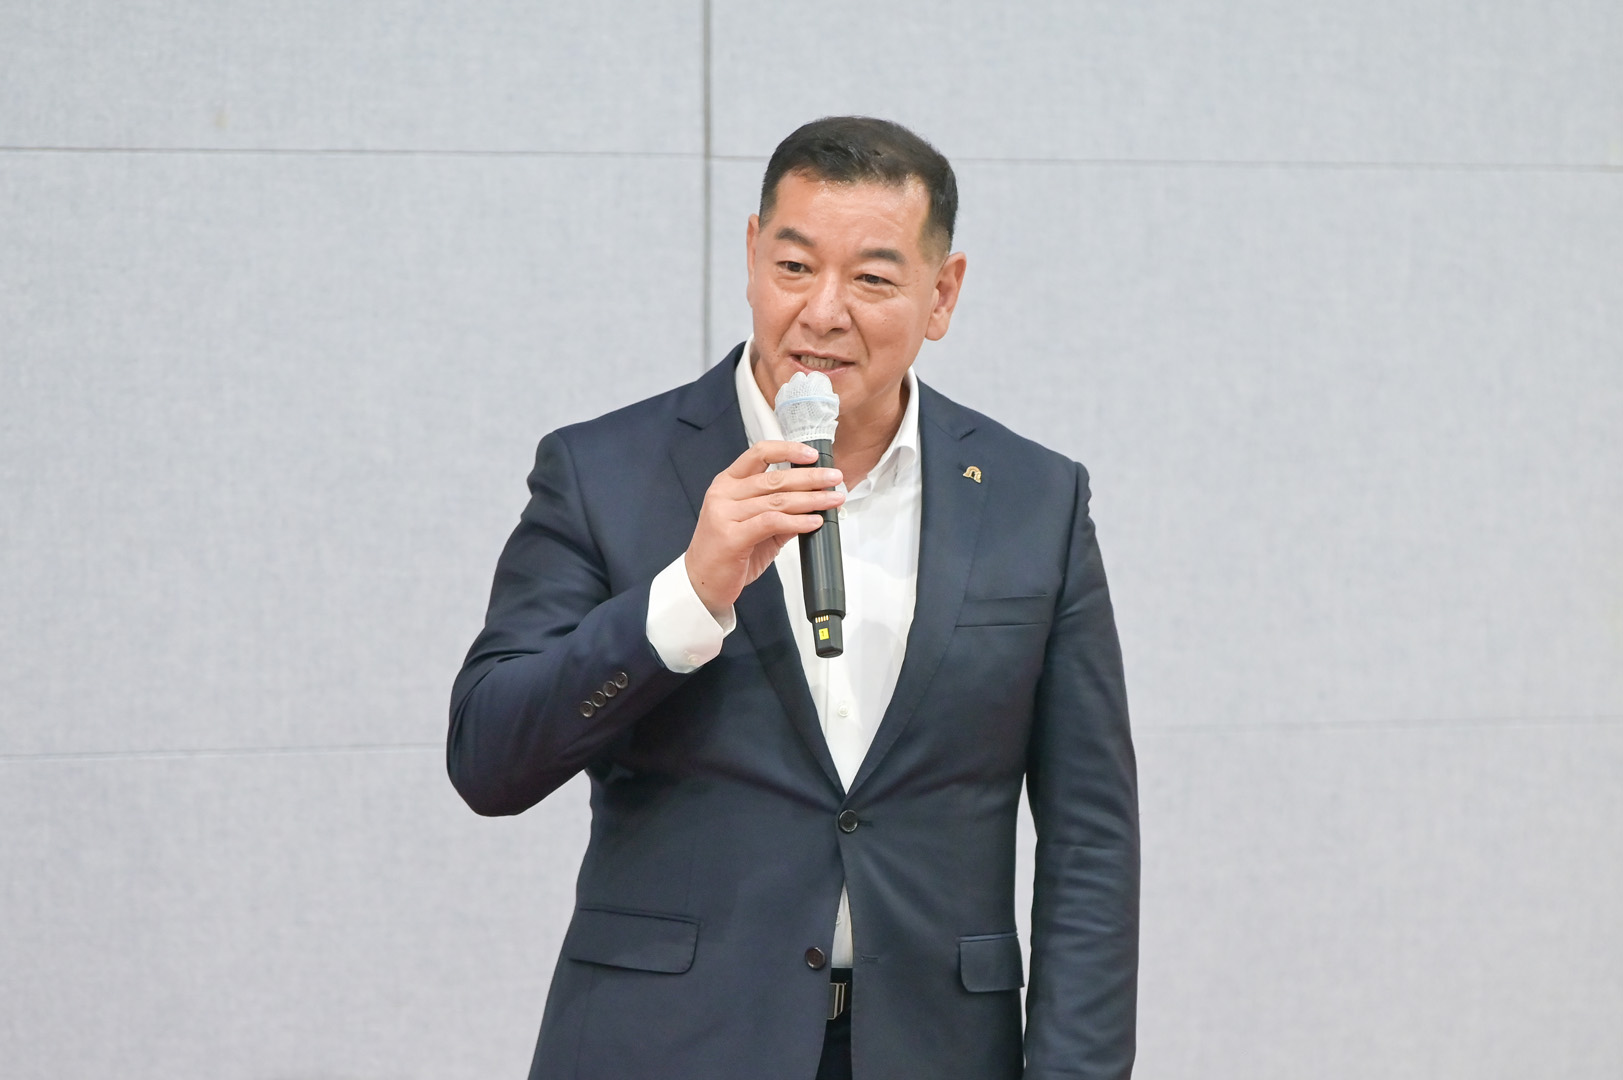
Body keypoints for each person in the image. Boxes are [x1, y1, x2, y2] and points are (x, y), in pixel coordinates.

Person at [448, 116, 1138, 1080]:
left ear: (941, 294)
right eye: (794, 267)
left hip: (937, 1050)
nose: (821, 312)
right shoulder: (604, 471)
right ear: (749, 257)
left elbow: (1090, 837)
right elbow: (489, 759)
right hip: (666, 1047)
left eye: (872, 280)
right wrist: (686, 596)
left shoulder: (1036, 498)